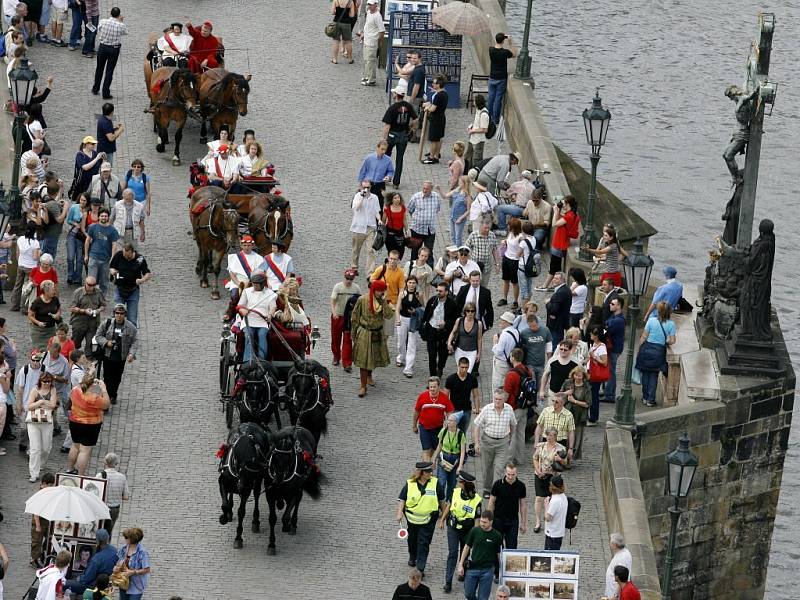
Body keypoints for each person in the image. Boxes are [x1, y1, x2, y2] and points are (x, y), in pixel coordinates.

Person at [395, 462, 447, 578]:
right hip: (412, 519)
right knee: (412, 540)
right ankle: (412, 556)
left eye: (430, 471)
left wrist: (444, 516)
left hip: (428, 520)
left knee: (424, 542)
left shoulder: (435, 483)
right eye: (428, 472)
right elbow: (402, 499)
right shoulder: (410, 484)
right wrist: (399, 513)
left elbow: (442, 501)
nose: (430, 473)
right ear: (421, 473)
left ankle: (420, 568)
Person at [441, 470, 481, 593]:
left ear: (465, 484)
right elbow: (449, 506)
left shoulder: (476, 500)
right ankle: (448, 581)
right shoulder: (455, 492)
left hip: (467, 530)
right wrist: (442, 519)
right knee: (452, 553)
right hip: (453, 527)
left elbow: (477, 519)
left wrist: (476, 534)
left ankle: (462, 571)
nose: (458, 483)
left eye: (460, 482)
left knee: (464, 553)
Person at [351, 279, 392, 397]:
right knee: (363, 360)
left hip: (377, 333)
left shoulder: (382, 302)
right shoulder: (362, 300)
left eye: (382, 291)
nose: (381, 293)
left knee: (373, 357)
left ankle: (369, 375)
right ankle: (363, 386)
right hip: (364, 333)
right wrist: (353, 333)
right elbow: (355, 317)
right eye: (379, 291)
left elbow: (389, 315)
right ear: (373, 290)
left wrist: (384, 302)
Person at [473, 389, 516, 497]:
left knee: (499, 467)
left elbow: (513, 424)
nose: (497, 401)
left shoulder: (509, 409)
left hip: (503, 443)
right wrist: (476, 443)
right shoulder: (487, 409)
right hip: (487, 442)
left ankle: (495, 490)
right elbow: (477, 425)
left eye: (499, 399)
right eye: (495, 399)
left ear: (504, 399)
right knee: (487, 467)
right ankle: (487, 489)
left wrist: (510, 437)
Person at [66, 368, 110, 474]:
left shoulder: (75, 390)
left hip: (75, 422)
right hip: (91, 426)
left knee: (75, 446)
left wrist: (89, 374)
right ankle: (80, 475)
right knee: (85, 451)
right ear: (93, 385)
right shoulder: (94, 398)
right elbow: (107, 404)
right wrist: (104, 389)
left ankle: (69, 469)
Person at [94, 303, 137, 405]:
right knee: (107, 377)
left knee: (117, 377)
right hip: (108, 355)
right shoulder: (107, 323)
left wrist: (131, 354)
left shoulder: (130, 327)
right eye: (117, 313)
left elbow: (135, 341)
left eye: (121, 313)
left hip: (121, 357)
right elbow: (98, 336)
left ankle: (113, 394)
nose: (119, 315)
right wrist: (106, 342)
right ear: (114, 313)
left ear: (125, 314)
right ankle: (107, 396)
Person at [636, 301, 676, 407]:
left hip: (647, 348)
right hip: (659, 351)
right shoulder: (671, 324)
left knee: (645, 374)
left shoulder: (651, 320)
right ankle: (651, 399)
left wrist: (639, 349)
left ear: (658, 311)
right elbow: (672, 340)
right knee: (654, 375)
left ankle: (644, 397)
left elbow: (644, 337)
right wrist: (664, 341)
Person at [458, 510, 503, 600]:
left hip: (487, 570)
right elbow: (467, 547)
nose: (482, 524)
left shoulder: (497, 536)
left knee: (483, 598)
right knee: (468, 594)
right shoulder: (475, 531)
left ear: (491, 522)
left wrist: (502, 569)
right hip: (472, 568)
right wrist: (460, 564)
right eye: (481, 521)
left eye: (485, 522)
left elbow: (499, 554)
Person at [539, 195, 580, 291]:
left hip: (559, 244)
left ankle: (546, 285)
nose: (563, 205)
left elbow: (554, 224)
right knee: (557, 267)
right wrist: (559, 212)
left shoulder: (569, 216)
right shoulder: (572, 214)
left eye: (564, 203)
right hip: (561, 242)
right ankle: (556, 285)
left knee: (554, 267)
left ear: (568, 204)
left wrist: (555, 212)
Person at [22, 371, 57, 482]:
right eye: (45, 381)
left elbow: (53, 405)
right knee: (35, 448)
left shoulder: (53, 390)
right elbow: (29, 406)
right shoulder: (35, 390)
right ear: (40, 381)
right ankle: (34, 473)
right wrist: (41, 401)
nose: (47, 383)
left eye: (49, 381)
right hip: (33, 422)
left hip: (46, 422)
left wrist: (40, 404)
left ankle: (41, 464)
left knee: (46, 448)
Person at [383, 80, 418, 189]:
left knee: (386, 157)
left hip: (392, 135)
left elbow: (387, 125)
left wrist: (384, 139)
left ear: (396, 95)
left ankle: (385, 177)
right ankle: (396, 182)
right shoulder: (408, 106)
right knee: (399, 159)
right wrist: (410, 126)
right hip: (403, 136)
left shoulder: (392, 108)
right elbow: (416, 119)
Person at [531, 426, 567, 534]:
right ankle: (538, 521)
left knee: (550, 499)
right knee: (538, 498)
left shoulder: (561, 448)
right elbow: (535, 458)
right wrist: (537, 469)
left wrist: (560, 459)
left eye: (553, 435)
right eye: (549, 435)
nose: (551, 437)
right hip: (540, 475)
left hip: (553, 476)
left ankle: (548, 518)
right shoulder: (541, 446)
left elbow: (565, 463)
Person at [421, 281, 458, 378]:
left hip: (444, 333)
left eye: (440, 291)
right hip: (432, 331)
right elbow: (426, 315)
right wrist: (424, 327)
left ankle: (440, 367)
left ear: (446, 292)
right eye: (437, 290)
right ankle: (432, 377)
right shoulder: (432, 300)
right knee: (431, 355)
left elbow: (456, 319)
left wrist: (446, 323)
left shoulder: (452, 304)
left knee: (443, 354)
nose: (438, 292)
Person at [237, 272, 277, 361]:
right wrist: (243, 310)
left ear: (262, 284)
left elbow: (273, 307)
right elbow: (240, 305)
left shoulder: (270, 294)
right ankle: (248, 359)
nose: (254, 286)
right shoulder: (246, 292)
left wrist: (270, 315)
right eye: (254, 284)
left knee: (262, 335)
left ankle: (262, 359)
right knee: (248, 334)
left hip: (262, 321)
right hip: (249, 320)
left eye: (257, 284)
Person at [109, 243, 151, 328]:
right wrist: (113, 272)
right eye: (124, 255)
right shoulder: (119, 255)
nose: (125, 257)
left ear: (132, 252)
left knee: (132, 318)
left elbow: (147, 273)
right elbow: (112, 267)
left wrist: (141, 280)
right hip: (120, 289)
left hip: (133, 290)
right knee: (117, 315)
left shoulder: (140, 259)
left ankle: (131, 337)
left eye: (127, 256)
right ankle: (117, 335)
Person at [65, 529, 117, 596]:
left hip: (92, 585)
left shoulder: (96, 559)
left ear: (97, 541)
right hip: (105, 582)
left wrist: (79, 578)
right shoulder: (114, 550)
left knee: (64, 583)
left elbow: (87, 579)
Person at [413, 376, 453, 461]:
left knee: (434, 449)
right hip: (424, 427)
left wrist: (449, 423)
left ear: (439, 387)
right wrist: (414, 425)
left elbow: (449, 412)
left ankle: (423, 468)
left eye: (434, 387)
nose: (432, 389)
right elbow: (416, 412)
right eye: (430, 387)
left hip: (438, 428)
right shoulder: (422, 397)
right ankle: (427, 472)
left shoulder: (444, 398)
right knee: (426, 449)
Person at [488, 462, 527, 550]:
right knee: (497, 546)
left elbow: (523, 505)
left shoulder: (521, 486)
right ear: (505, 473)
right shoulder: (497, 484)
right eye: (509, 474)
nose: (510, 477)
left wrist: (523, 523)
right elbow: (491, 503)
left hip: (513, 520)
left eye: (513, 475)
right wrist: (489, 520)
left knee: (512, 546)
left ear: (516, 473)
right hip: (498, 519)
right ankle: (497, 563)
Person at [504, 348, 532, 465]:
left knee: (511, 434)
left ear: (513, 358)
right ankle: (520, 458)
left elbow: (506, 393)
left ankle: (509, 459)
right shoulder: (528, 370)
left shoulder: (511, 374)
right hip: (524, 406)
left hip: (513, 408)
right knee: (521, 433)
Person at [92, 7, 127, 99]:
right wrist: (120, 21)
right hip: (114, 49)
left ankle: (95, 88)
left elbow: (99, 29)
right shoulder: (121, 25)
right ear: (119, 15)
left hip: (103, 47)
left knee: (99, 68)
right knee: (109, 71)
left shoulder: (103, 21)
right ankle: (105, 93)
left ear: (110, 13)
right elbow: (125, 32)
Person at [330, 269, 360, 373]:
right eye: (347, 278)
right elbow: (333, 300)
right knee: (336, 338)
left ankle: (347, 363)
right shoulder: (338, 287)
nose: (349, 281)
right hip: (338, 316)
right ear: (344, 277)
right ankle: (336, 356)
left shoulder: (356, 289)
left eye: (351, 279)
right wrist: (334, 313)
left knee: (348, 340)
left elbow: (358, 303)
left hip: (349, 318)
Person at [84, 208, 119, 296]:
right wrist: (86, 255)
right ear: (98, 217)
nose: (103, 217)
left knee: (104, 282)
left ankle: (102, 298)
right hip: (93, 257)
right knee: (91, 280)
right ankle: (90, 297)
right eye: (102, 216)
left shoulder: (113, 230)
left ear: (108, 217)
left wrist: (113, 258)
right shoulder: (93, 227)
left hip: (106, 259)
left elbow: (114, 245)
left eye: (105, 216)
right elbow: (87, 241)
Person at [350, 181, 381, 276]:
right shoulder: (357, 196)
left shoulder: (374, 198)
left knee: (370, 250)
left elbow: (376, 211)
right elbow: (356, 208)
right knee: (356, 249)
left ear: (371, 187)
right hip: (358, 227)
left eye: (368, 187)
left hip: (370, 227)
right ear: (361, 187)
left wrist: (379, 219)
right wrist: (362, 198)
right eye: (364, 187)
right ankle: (354, 267)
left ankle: (370, 273)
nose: (366, 189)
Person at [407, 181, 442, 263]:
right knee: (415, 251)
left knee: (429, 252)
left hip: (430, 230)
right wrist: (418, 219)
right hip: (417, 229)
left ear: (431, 189)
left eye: (427, 189)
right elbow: (410, 210)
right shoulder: (416, 197)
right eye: (424, 188)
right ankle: (412, 271)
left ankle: (429, 272)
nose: (425, 190)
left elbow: (437, 209)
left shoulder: (436, 197)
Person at [395, 275, 423, 377]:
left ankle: (408, 368)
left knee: (412, 345)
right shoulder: (402, 293)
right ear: (407, 283)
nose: (411, 285)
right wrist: (397, 319)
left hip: (414, 321)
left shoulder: (419, 294)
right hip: (403, 319)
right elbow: (398, 307)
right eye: (410, 282)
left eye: (413, 283)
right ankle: (401, 357)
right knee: (401, 343)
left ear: (416, 284)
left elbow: (422, 308)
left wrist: (416, 311)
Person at [69, 277, 106, 352]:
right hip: (79, 323)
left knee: (90, 344)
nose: (92, 287)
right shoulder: (78, 292)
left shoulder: (98, 292)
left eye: (94, 285)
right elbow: (71, 307)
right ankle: (73, 359)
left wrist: (98, 310)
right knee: (75, 344)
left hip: (93, 323)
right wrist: (84, 311)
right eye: (90, 285)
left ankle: (88, 358)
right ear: (85, 284)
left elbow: (103, 305)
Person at [444, 357, 479, 434]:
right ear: (458, 366)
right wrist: (446, 411)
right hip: (453, 410)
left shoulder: (472, 379)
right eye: (462, 367)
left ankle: (462, 446)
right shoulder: (451, 379)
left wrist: (477, 409)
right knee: (452, 432)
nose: (464, 369)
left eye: (466, 367)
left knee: (463, 433)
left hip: (466, 410)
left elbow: (476, 396)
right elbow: (445, 397)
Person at [113, 527, 151, 600]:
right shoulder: (124, 549)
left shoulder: (142, 552)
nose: (124, 538)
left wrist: (133, 572)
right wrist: (116, 567)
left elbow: (147, 569)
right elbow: (119, 561)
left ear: (132, 539)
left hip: (136, 586)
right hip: (123, 582)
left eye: (126, 537)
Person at [447, 301, 484, 375]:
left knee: (468, 372)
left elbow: (479, 339)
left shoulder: (478, 324)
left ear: (475, 312)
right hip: (460, 350)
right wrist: (449, 343)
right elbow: (453, 332)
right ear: (465, 311)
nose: (470, 313)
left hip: (472, 352)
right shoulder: (459, 321)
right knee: (460, 371)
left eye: (472, 311)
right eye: (468, 311)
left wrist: (479, 353)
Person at [10, 224, 41, 311]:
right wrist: (40, 254)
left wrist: (20, 261)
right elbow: (35, 257)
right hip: (31, 267)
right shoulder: (35, 243)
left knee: (17, 286)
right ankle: (25, 308)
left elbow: (17, 253)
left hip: (21, 265)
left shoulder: (20, 239)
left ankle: (14, 305)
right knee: (27, 288)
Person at [561, 366, 590, 459]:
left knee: (576, 438)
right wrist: (566, 393)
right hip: (567, 414)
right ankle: (563, 457)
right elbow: (559, 395)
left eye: (580, 376)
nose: (577, 377)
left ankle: (570, 458)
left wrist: (574, 401)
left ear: (583, 376)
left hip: (580, 416)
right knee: (565, 436)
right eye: (576, 375)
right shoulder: (567, 383)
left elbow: (587, 404)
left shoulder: (586, 387)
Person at [97, 452, 129, 534]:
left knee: (97, 528)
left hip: (101, 507)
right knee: (108, 531)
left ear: (105, 462)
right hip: (114, 509)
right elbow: (126, 497)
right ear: (116, 463)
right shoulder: (122, 477)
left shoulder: (100, 476)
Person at [519, 314, 552, 393]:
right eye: (530, 326)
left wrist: (549, 360)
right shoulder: (524, 333)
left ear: (537, 323)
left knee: (540, 386)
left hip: (541, 363)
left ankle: (538, 400)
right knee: (532, 386)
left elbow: (549, 345)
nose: (533, 328)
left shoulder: (545, 330)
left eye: (534, 326)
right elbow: (521, 347)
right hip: (530, 364)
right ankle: (532, 401)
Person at [487, 33, 515, 124]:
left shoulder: (490, 50)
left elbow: (494, 45)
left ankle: (487, 117)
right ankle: (495, 119)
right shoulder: (505, 52)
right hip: (501, 78)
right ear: (503, 40)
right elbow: (515, 54)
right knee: (498, 99)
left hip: (492, 77)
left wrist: (501, 38)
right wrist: (510, 42)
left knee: (491, 97)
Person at [539, 340, 578, 405]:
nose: (562, 351)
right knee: (552, 414)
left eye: (565, 350)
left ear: (570, 350)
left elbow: (583, 376)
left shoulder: (576, 363)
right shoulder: (552, 360)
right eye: (561, 349)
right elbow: (545, 375)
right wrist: (542, 390)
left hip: (568, 395)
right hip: (553, 393)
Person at [356, 140, 393, 207]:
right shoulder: (369, 158)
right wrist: (360, 185)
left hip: (380, 185)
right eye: (382, 149)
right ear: (377, 148)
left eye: (385, 150)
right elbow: (363, 171)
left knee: (379, 205)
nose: (383, 152)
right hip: (368, 184)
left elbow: (390, 171)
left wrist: (388, 176)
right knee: (365, 204)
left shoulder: (388, 160)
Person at [421, 75, 449, 165]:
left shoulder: (438, 96)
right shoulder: (444, 93)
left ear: (439, 84)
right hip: (441, 118)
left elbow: (433, 108)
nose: (432, 84)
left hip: (436, 119)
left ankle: (432, 157)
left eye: (434, 83)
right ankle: (436, 154)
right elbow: (435, 104)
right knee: (439, 138)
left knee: (434, 139)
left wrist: (427, 108)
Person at [466, 216, 500, 287]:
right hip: (474, 267)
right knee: (474, 286)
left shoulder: (492, 235)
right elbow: (466, 249)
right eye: (485, 228)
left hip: (487, 268)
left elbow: (494, 250)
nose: (487, 230)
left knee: (484, 287)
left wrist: (497, 264)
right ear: (481, 225)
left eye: (488, 228)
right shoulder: (473, 235)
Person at [30, 472, 55, 567]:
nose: (51, 487)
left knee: (48, 539)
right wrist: (38, 525)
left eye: (52, 485)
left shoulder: (48, 493)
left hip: (46, 521)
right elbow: (36, 511)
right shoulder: (40, 494)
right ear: (43, 483)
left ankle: (42, 554)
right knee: (37, 541)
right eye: (49, 485)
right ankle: (34, 559)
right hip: (39, 522)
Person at [356, 0, 383, 85]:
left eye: (371, 4)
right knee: (366, 60)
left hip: (372, 42)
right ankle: (367, 76)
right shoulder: (368, 12)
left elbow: (382, 31)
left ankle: (371, 79)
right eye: (368, 4)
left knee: (370, 61)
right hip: (366, 40)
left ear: (376, 5)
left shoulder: (377, 16)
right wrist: (363, 33)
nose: (369, 6)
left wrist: (379, 42)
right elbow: (367, 24)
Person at [499, 218, 523, 309]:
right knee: (505, 280)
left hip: (515, 261)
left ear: (514, 227)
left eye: (510, 225)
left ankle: (515, 301)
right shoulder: (510, 233)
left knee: (514, 282)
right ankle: (504, 298)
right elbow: (509, 241)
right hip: (506, 258)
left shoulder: (520, 237)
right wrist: (505, 241)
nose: (508, 226)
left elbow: (523, 249)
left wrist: (518, 256)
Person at [604, 297, 625, 402]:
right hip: (614, 348)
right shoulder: (615, 316)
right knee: (609, 370)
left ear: (619, 306)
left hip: (614, 349)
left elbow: (606, 330)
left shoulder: (618, 320)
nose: (610, 305)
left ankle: (610, 395)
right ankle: (607, 391)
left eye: (612, 304)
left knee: (611, 372)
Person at [28, 280, 60, 349]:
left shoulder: (55, 299)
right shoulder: (37, 301)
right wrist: (38, 322)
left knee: (50, 349)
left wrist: (57, 315)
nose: (54, 292)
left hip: (51, 330)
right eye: (52, 290)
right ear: (46, 291)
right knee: (39, 352)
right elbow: (30, 315)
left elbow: (59, 309)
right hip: (38, 332)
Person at [490, 311, 519, 390]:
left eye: (502, 320)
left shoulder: (504, 334)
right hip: (510, 362)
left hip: (501, 363)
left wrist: (495, 342)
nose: (500, 321)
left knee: (497, 386)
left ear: (507, 322)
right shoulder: (516, 331)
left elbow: (498, 351)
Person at [440, 176, 471, 247]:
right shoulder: (457, 190)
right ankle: (454, 249)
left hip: (459, 219)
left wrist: (461, 218)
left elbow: (468, 210)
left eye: (460, 181)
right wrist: (440, 190)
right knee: (452, 235)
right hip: (452, 217)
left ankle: (458, 250)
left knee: (458, 236)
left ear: (464, 183)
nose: (458, 182)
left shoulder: (467, 197)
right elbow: (444, 196)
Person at [545, 271, 571, 347]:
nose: (554, 280)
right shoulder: (566, 289)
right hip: (561, 323)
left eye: (556, 279)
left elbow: (554, 309)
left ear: (562, 280)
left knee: (554, 346)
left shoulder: (560, 292)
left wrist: (547, 303)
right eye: (554, 278)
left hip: (556, 324)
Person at [605, 533, 633, 600]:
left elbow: (621, 579)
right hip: (612, 589)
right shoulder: (621, 553)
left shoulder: (622, 558)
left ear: (615, 545)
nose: (609, 544)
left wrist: (615, 596)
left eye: (611, 543)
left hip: (614, 591)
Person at [383, 191, 409, 260]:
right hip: (390, 234)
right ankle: (390, 263)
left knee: (400, 250)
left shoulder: (403, 207)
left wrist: (407, 230)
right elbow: (383, 220)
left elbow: (404, 220)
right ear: (391, 200)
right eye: (395, 198)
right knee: (391, 251)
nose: (397, 199)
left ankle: (396, 263)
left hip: (400, 233)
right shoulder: (388, 208)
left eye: (398, 197)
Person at [544, 473, 567, 550]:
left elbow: (548, 518)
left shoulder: (555, 501)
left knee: (549, 557)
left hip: (552, 534)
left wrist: (546, 505)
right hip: (559, 532)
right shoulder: (563, 497)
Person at [466, 94, 490, 167]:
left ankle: (475, 173)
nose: (473, 102)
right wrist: (471, 127)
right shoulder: (478, 110)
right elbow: (477, 123)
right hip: (473, 137)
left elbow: (484, 129)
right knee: (468, 156)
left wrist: (473, 131)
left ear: (477, 103)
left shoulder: (484, 114)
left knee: (477, 159)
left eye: (474, 101)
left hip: (479, 140)